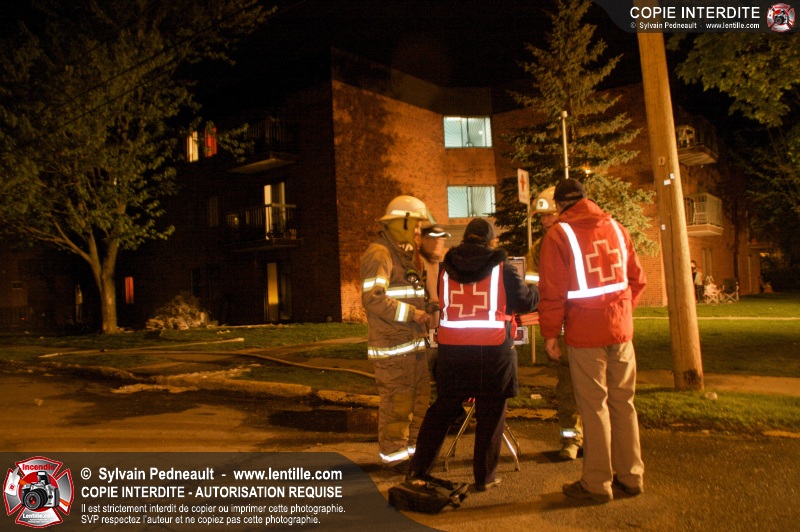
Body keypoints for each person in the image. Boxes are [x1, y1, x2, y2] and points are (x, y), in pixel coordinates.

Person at [406, 218, 538, 491]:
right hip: (493, 353)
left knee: (442, 410)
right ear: (491, 241)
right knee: (491, 414)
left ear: (465, 238)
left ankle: (419, 468)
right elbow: (525, 302)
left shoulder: (446, 269)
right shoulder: (503, 268)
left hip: (453, 352)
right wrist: (535, 286)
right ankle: (484, 477)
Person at [538, 178, 647, 503]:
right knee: (623, 404)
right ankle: (631, 477)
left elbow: (552, 292)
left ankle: (597, 483)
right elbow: (638, 279)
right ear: (586, 199)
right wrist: (621, 312)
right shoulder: (616, 228)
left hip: (585, 334)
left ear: (559, 205)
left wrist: (550, 334)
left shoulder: (559, 234)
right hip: (620, 331)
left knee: (594, 407)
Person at [360, 195, 434, 469]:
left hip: (412, 346)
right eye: (415, 224)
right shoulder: (380, 254)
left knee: (419, 403)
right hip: (393, 351)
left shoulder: (403, 254)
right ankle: (394, 458)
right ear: (400, 223)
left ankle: (414, 454)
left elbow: (407, 293)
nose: (419, 230)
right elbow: (373, 298)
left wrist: (428, 307)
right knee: (398, 407)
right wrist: (413, 314)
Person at [525, 186, 583, 461]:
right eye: (542, 217)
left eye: (550, 215)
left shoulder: (581, 240)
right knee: (567, 387)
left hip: (587, 325)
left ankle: (595, 441)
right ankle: (571, 440)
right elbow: (533, 287)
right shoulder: (539, 248)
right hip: (562, 329)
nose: (546, 221)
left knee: (594, 388)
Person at [418, 224, 451, 377]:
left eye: (441, 238)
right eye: (432, 238)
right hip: (422, 330)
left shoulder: (443, 264)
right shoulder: (417, 263)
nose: (438, 242)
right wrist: (425, 306)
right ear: (423, 240)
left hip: (441, 330)